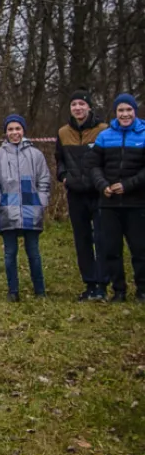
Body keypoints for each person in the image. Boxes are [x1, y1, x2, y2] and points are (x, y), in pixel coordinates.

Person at [0, 113, 51, 302]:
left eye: (17, 129)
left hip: (32, 210)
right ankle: (13, 291)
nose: (14, 132)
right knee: (9, 254)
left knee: (34, 253)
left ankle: (40, 291)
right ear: (5, 132)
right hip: (8, 212)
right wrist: (0, 203)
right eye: (10, 129)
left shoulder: (35, 154)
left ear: (23, 130)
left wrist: (41, 202)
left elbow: (44, 179)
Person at [88, 94, 145, 303]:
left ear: (134, 111)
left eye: (128, 110)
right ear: (116, 113)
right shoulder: (105, 135)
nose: (125, 114)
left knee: (140, 250)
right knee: (111, 250)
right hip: (109, 203)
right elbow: (93, 165)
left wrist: (128, 185)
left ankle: (142, 290)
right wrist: (102, 185)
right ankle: (118, 290)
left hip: (137, 202)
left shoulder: (143, 134)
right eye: (121, 110)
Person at [56, 89, 109, 300]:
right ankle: (89, 283)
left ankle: (103, 284)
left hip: (98, 193)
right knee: (82, 239)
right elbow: (59, 158)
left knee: (102, 239)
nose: (78, 108)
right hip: (75, 193)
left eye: (81, 104)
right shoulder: (62, 132)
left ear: (89, 107)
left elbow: (109, 159)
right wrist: (63, 176)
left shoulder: (103, 130)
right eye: (74, 104)